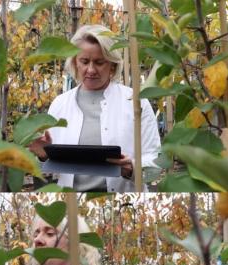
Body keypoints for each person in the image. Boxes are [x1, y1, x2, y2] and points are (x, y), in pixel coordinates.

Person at [29, 24, 161, 192]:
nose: (90, 70)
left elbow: (155, 159)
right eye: (84, 61)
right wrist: (43, 155)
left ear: (112, 65)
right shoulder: (60, 105)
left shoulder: (135, 102)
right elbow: (49, 169)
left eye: (99, 62)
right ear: (75, 62)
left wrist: (132, 168)